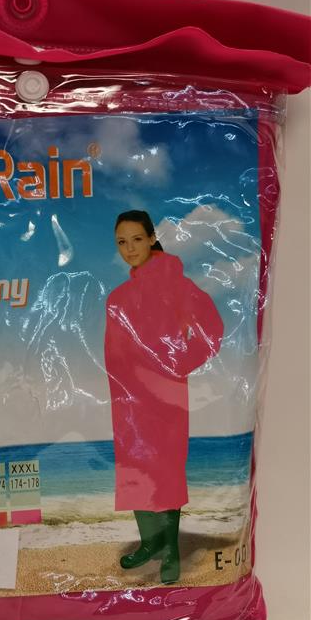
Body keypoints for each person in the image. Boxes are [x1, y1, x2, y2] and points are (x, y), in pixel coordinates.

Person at [104, 210, 224, 584]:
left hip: (166, 398)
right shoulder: (117, 298)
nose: (129, 248)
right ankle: (150, 542)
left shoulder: (177, 284)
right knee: (135, 469)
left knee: (166, 471)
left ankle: (170, 547)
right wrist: (122, 392)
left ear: (152, 238)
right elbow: (114, 353)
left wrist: (179, 364)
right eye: (122, 242)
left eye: (137, 239)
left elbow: (212, 328)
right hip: (128, 400)